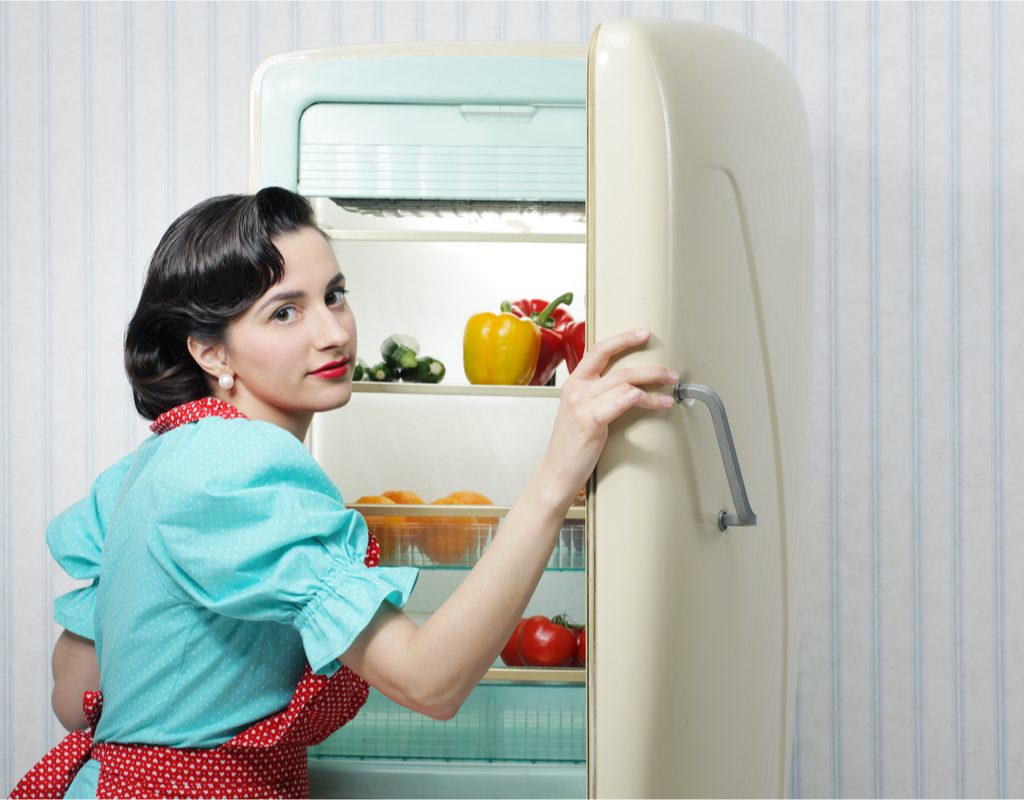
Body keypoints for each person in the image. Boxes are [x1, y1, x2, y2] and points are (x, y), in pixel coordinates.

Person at [11, 187, 677, 799]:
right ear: (211, 352)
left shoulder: (150, 464)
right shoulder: (245, 464)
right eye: (283, 312)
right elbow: (429, 682)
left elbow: (77, 696)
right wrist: (557, 476)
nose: (333, 333)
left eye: (334, 294)